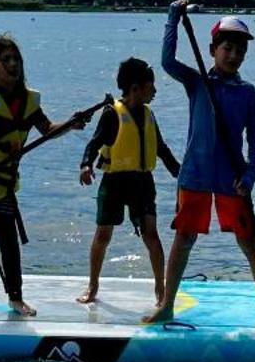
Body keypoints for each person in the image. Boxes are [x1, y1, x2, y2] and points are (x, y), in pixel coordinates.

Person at [0, 35, 96, 325]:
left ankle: (15, 297)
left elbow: (46, 129)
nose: (13, 65)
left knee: (7, 237)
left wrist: (71, 124)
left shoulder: (28, 101)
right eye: (5, 60)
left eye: (17, 60)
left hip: (0, 180)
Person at [144, 3, 255, 333]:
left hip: (231, 178)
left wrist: (250, 176)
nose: (233, 55)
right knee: (184, 238)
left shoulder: (247, 93)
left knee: (249, 242)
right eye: (227, 48)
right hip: (195, 175)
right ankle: (166, 305)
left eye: (240, 50)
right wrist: (173, 19)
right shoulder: (197, 83)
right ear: (212, 50)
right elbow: (166, 62)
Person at [76, 57, 181, 306]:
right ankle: (92, 286)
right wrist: (86, 165)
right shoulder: (113, 114)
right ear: (135, 88)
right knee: (103, 234)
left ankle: (160, 289)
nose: (154, 91)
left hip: (142, 182)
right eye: (150, 86)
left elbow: (161, 149)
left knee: (151, 235)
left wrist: (181, 174)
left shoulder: (148, 114)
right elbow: (95, 143)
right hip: (114, 182)